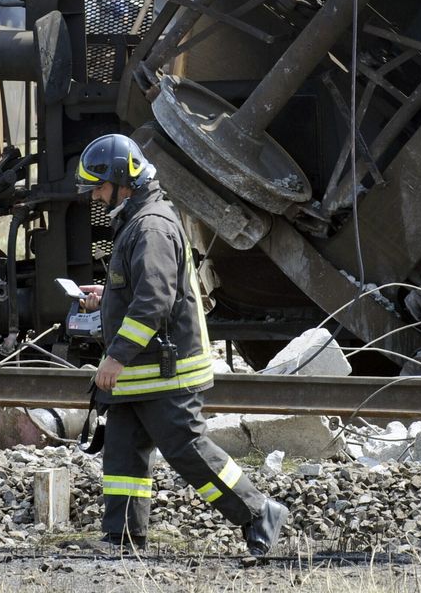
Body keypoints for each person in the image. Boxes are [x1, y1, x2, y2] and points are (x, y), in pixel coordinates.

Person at [74, 133, 288, 555]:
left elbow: (154, 301)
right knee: (123, 456)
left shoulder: (150, 226)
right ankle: (123, 539)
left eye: (99, 186)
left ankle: (259, 511)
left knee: (187, 450)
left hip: (161, 371)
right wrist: (106, 298)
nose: (96, 196)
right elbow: (142, 291)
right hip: (145, 371)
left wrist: (115, 357)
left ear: (123, 179)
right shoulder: (140, 220)